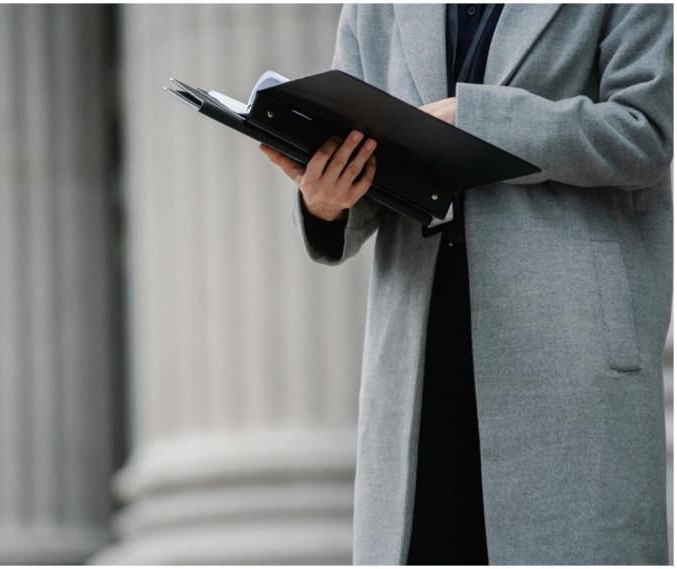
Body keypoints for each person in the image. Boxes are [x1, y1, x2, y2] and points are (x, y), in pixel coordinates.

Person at [259, 3, 672, 565]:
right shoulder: (373, 9)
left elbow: (645, 131)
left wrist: (480, 119)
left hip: (566, 354)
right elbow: (367, 175)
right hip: (419, 366)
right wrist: (324, 200)